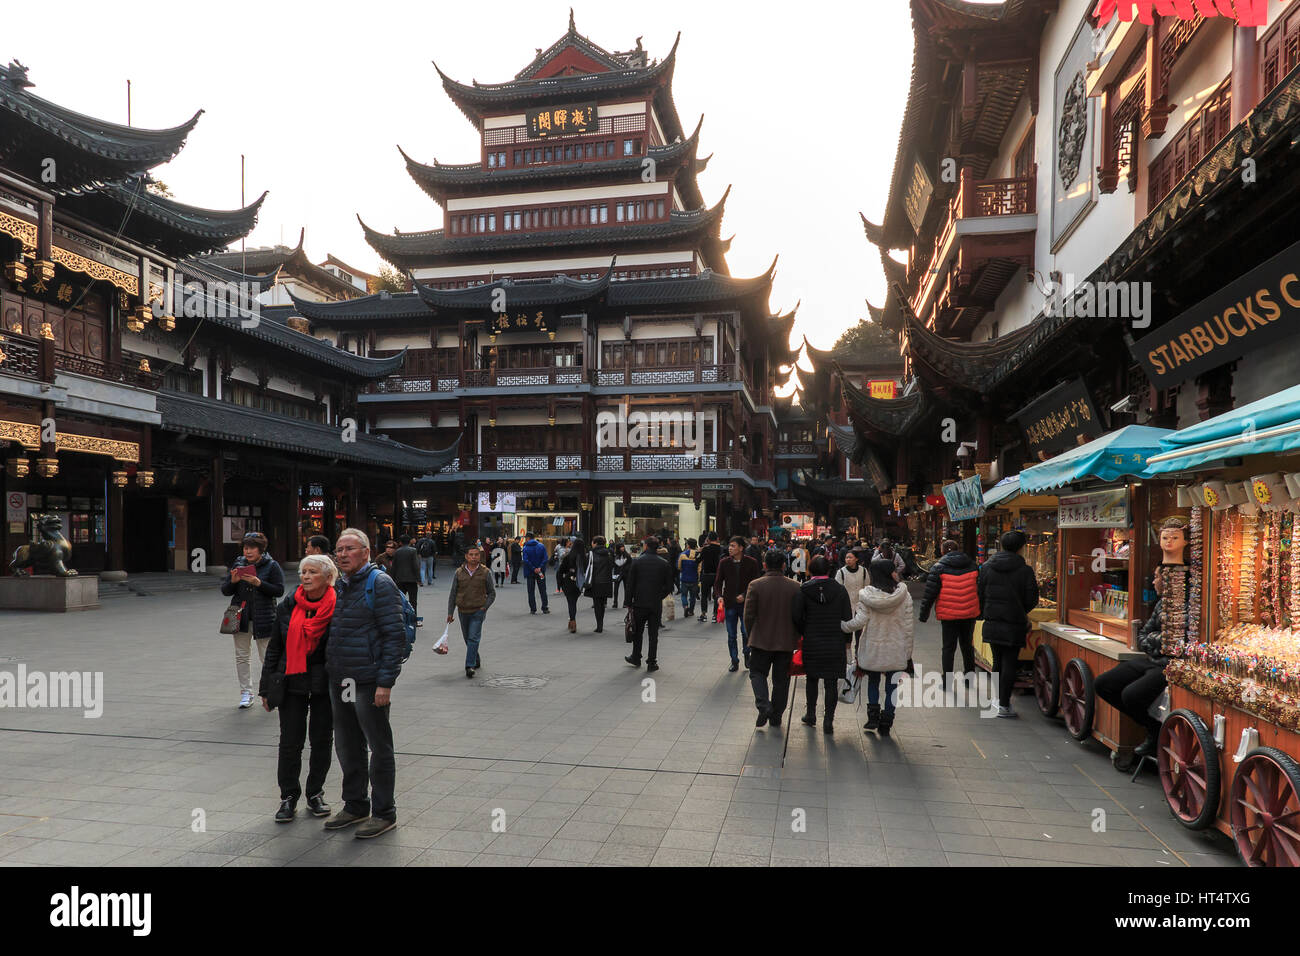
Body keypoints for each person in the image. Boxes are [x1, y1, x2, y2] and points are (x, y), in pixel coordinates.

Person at [324, 528, 406, 839]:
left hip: (369, 681)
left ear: (366, 552)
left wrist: (386, 682)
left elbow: (394, 636)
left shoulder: (380, 583)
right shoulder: (342, 585)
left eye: (349, 549)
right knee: (346, 744)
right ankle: (355, 804)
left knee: (378, 747)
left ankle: (384, 812)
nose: (342, 554)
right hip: (341, 678)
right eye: (338, 549)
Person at [260, 553, 337, 823]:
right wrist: (266, 687)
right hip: (291, 680)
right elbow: (275, 647)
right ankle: (288, 797)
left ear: (328, 577)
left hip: (324, 685)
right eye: (303, 571)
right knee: (290, 742)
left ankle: (315, 793)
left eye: (312, 572)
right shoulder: (288, 606)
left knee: (321, 742)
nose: (305, 577)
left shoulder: (338, 606)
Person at [841, 558, 915, 736]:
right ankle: (887, 721)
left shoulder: (867, 595)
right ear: (890, 573)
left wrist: (843, 626)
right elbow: (908, 627)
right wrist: (908, 653)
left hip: (873, 647)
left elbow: (860, 621)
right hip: (896, 647)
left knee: (873, 682)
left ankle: (873, 715)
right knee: (892, 686)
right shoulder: (904, 595)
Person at [977, 530, 1040, 718]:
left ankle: (999, 700)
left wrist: (986, 611)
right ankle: (1004, 704)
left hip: (992, 620)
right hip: (1014, 623)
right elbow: (1032, 598)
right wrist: (1021, 610)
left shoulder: (987, 567)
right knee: (1010, 662)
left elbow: (980, 593)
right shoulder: (1025, 570)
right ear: (1021, 548)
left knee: (997, 661)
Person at [221, 532, 286, 709]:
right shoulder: (238, 563)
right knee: (242, 656)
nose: (247, 551)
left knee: (267, 657)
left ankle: (271, 691)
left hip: (264, 618)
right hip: (240, 617)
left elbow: (279, 590)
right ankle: (246, 693)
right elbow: (226, 590)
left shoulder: (272, 566)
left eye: (251, 548)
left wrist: (259, 583)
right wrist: (233, 581)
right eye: (245, 548)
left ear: (261, 549)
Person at [744, 550, 803, 729]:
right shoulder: (795, 587)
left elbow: (748, 615)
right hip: (785, 642)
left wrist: (751, 633)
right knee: (781, 680)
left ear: (764, 565)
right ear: (784, 565)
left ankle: (763, 705)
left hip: (761, 639)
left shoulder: (755, 585)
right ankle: (776, 716)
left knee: (757, 673)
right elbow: (799, 616)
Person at [795, 556, 853, 734]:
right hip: (835, 641)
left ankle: (811, 714)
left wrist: (804, 631)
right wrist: (847, 640)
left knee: (812, 679)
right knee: (831, 681)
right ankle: (828, 720)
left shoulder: (804, 590)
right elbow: (847, 617)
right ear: (829, 570)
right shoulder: (840, 590)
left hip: (812, 641)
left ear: (811, 570)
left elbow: (796, 616)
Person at [918, 539, 980, 690]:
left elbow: (930, 594)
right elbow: (981, 589)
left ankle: (947, 681)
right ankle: (969, 678)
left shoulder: (938, 568)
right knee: (967, 646)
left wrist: (923, 615)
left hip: (948, 614)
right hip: (969, 613)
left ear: (943, 551)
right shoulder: (973, 565)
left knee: (948, 648)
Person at [622, 536, 672, 672]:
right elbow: (669, 586)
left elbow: (630, 584)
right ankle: (651, 661)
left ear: (646, 546)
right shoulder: (664, 563)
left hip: (639, 602)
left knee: (638, 632)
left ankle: (636, 656)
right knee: (653, 634)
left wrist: (628, 602)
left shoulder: (637, 562)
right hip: (655, 604)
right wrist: (658, 596)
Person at [447, 544, 496, 679]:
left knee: (473, 637)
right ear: (466, 556)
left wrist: (484, 607)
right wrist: (450, 612)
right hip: (463, 611)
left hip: (478, 611)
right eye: (471, 555)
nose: (474, 557)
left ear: (479, 556)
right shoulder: (459, 572)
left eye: (476, 555)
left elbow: (492, 593)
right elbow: (453, 593)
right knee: (468, 639)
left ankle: (469, 666)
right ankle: (476, 658)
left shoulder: (485, 572)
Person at [715, 535, 761, 672]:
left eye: (733, 546)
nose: (730, 548)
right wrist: (719, 596)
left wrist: (745, 594)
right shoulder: (724, 562)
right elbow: (717, 582)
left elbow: (755, 582)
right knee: (731, 634)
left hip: (746, 604)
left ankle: (747, 654)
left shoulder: (751, 562)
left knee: (746, 632)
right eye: (729, 545)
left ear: (741, 548)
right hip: (729, 603)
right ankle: (734, 660)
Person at [557, 536, 588, 633]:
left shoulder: (569, 557)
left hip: (568, 582)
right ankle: (572, 620)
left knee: (571, 602)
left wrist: (560, 583)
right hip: (579, 583)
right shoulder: (585, 558)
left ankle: (572, 621)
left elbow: (560, 571)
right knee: (574, 601)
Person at [388, 535, 421, 622]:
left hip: (399, 579)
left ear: (400, 543)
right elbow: (416, 566)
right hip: (411, 580)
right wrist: (419, 579)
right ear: (409, 541)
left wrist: (392, 579)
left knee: (400, 600)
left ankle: (400, 618)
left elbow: (394, 567)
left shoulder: (397, 552)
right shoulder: (413, 551)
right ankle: (413, 619)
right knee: (413, 601)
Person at [585, 536, 614, 633]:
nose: (591, 544)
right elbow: (612, 565)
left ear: (596, 543)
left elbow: (587, 566)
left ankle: (599, 625)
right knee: (602, 604)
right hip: (606, 581)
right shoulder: (609, 553)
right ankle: (601, 623)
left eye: (592, 542)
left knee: (597, 604)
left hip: (596, 581)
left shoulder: (591, 553)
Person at [521, 531, 551, 615]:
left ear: (527, 538)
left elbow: (526, 560)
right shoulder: (541, 546)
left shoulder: (526, 548)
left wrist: (533, 568)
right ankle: (545, 608)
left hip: (530, 572)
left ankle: (533, 609)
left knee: (531, 591)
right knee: (543, 590)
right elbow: (545, 558)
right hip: (540, 571)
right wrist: (539, 567)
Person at [698, 532, 722, 623]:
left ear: (708, 539)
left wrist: (700, 551)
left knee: (704, 595)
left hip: (706, 575)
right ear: (717, 539)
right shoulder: (720, 549)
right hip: (717, 575)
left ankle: (703, 614)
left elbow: (698, 560)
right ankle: (715, 616)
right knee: (717, 595)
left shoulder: (705, 549)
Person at [678, 539, 700, 618]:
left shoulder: (682, 554)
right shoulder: (698, 555)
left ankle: (685, 606)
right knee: (692, 596)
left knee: (683, 595)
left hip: (684, 578)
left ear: (688, 545)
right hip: (694, 579)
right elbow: (699, 569)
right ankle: (691, 611)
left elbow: (679, 567)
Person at [611, 542, 630, 608]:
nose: (623, 548)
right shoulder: (615, 555)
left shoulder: (627, 555)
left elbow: (630, 564)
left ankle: (625, 603)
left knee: (626, 589)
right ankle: (615, 602)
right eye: (621, 547)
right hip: (617, 573)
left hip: (625, 574)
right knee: (616, 589)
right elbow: (612, 564)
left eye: (623, 546)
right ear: (618, 548)